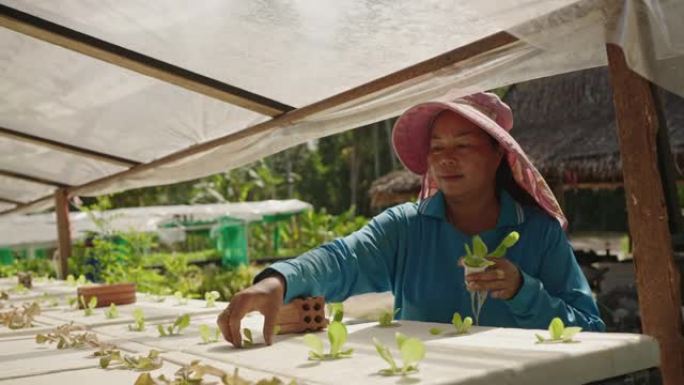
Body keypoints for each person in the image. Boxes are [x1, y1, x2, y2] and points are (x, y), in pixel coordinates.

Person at [217, 92, 605, 347]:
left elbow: (590, 330)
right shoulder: (404, 228)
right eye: (437, 148)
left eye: (463, 145)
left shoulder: (539, 233)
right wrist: (276, 282)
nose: (445, 158)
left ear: (498, 155)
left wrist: (522, 289)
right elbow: (341, 259)